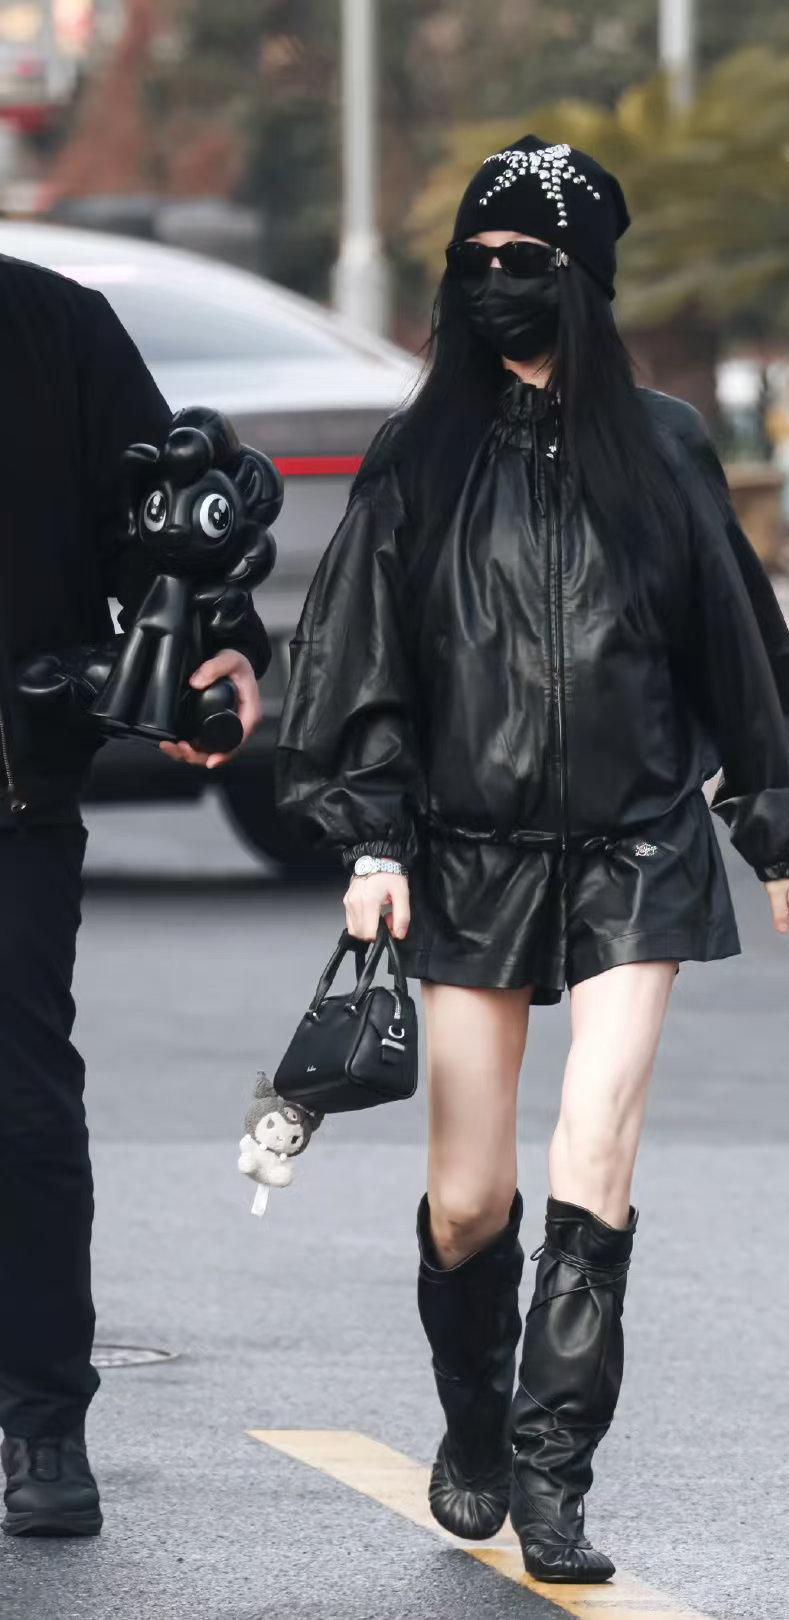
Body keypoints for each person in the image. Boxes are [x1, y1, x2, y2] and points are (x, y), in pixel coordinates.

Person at [277, 135, 789, 1584]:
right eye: (471, 264)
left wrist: (777, 823)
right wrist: (373, 839)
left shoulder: (662, 445)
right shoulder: (421, 454)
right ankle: (474, 1429)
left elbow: (735, 640)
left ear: (580, 277)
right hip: (467, 852)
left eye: (522, 262)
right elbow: (356, 660)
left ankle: (551, 1481)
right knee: (470, 1200)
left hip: (638, 850)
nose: (493, 285)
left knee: (597, 1150)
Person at [0, 254, 269, 1537]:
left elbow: (161, 536)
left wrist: (219, 650)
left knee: (21, 1112)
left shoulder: (56, 327)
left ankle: (44, 1421)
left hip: (9, 799)